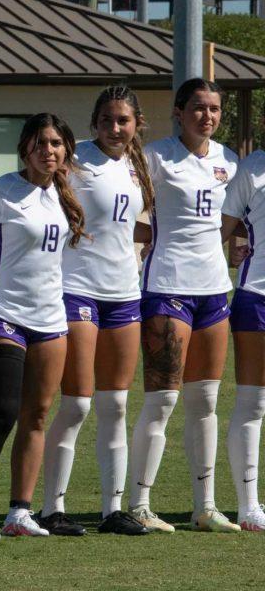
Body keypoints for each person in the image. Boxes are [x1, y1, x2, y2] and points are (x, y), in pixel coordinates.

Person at [0, 113, 85, 538]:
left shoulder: (67, 197)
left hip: (51, 319)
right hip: (4, 314)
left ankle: (19, 513)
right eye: (40, 143)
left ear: (65, 150)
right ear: (25, 149)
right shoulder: (1, 191)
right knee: (3, 412)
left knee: (38, 415)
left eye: (56, 144)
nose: (48, 151)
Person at [37, 87, 153, 536]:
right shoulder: (74, 158)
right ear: (94, 123)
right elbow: (33, 189)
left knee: (116, 403)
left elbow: (129, 224)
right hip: (76, 292)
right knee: (78, 403)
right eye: (107, 119)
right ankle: (52, 508)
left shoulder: (139, 166)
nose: (116, 127)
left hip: (125, 294)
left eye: (124, 120)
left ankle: (112, 510)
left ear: (136, 124)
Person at [128, 78, 241, 533]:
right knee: (163, 400)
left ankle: (205, 506)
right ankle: (138, 504)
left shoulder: (228, 160)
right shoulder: (154, 156)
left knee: (206, 401)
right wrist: (147, 237)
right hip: (166, 289)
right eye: (197, 107)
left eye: (214, 109)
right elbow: (113, 208)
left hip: (215, 292)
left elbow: (235, 219)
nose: (207, 116)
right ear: (179, 112)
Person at [221, 121, 265, 532]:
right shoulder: (252, 168)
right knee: (253, 402)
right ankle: (248, 505)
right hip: (258, 297)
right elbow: (220, 228)